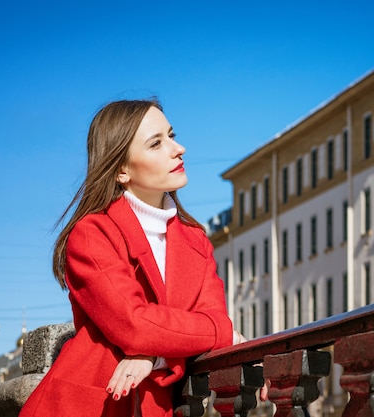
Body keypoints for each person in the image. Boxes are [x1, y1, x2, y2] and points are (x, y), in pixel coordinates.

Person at [19, 98, 262, 417]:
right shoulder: (93, 234)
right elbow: (135, 325)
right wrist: (225, 335)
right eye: (156, 143)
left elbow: (206, 322)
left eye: (172, 135)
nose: (179, 148)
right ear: (121, 169)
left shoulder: (196, 241)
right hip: (89, 406)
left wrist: (154, 356)